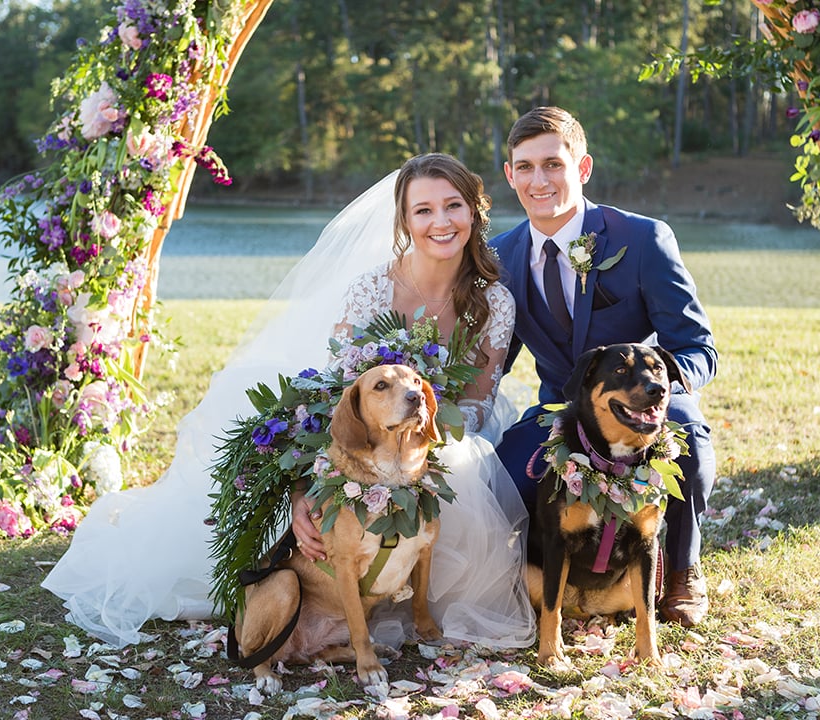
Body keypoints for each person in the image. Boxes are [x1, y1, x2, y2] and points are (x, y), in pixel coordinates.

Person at [42, 153, 536, 650]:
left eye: (453, 206)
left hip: (439, 437)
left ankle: (415, 594)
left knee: (463, 464)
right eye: (423, 210)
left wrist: (417, 436)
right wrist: (306, 494)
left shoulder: (493, 301)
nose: (441, 222)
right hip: (359, 438)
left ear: (474, 213)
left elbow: (476, 406)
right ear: (404, 220)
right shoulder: (372, 290)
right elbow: (329, 402)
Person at [490, 106, 718, 627]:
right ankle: (550, 575)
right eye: (524, 167)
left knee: (689, 443)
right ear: (509, 175)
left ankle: (681, 569)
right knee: (501, 478)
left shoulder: (642, 239)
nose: (538, 180)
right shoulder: (499, 256)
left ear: (583, 168)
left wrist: (658, 393)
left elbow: (698, 347)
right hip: (560, 409)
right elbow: (494, 361)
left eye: (552, 164)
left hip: (645, 399)